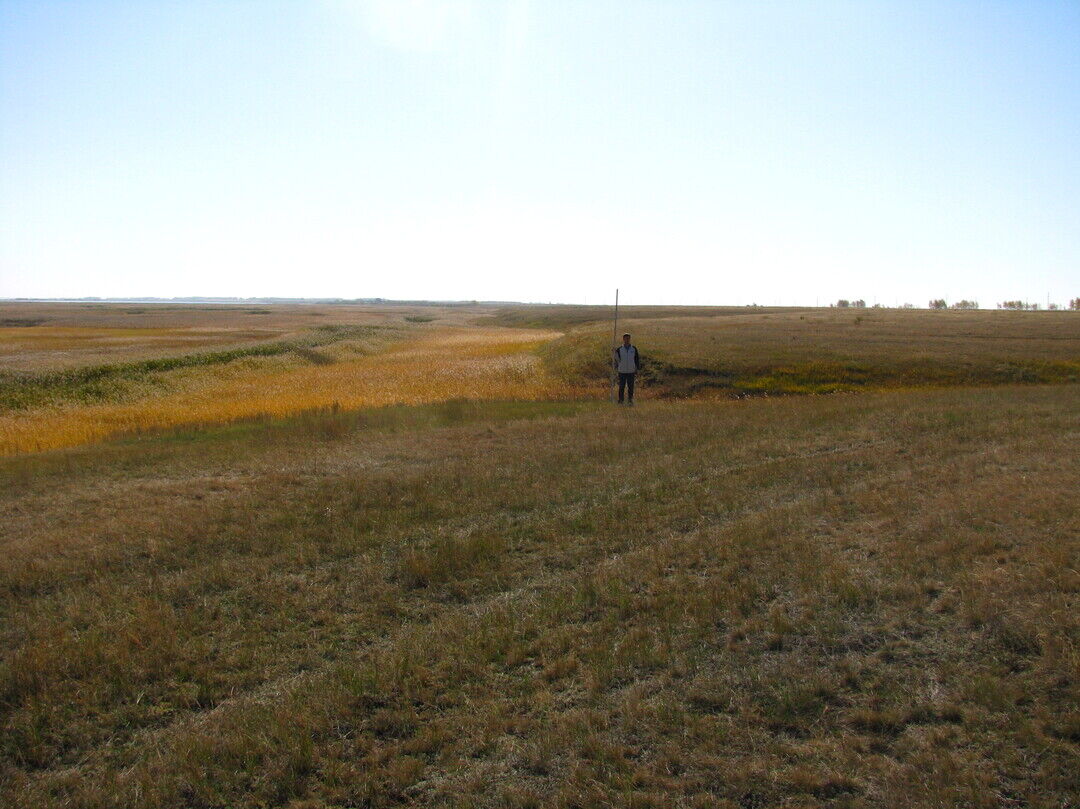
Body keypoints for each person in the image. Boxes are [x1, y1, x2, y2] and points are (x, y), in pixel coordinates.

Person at [613, 332, 640, 405]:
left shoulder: (633, 349)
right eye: (625, 338)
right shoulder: (619, 349)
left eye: (628, 338)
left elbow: (636, 359)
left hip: (631, 371)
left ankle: (630, 401)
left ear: (630, 339)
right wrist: (614, 353)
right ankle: (621, 400)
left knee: (631, 387)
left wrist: (637, 369)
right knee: (621, 387)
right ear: (623, 339)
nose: (627, 340)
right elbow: (617, 360)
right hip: (622, 371)